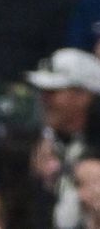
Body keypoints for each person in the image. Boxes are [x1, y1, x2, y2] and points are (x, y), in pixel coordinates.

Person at [26, 47, 100, 228]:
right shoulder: (27, 145)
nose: (44, 99)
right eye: (42, 91)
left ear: (83, 96)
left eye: (54, 92)